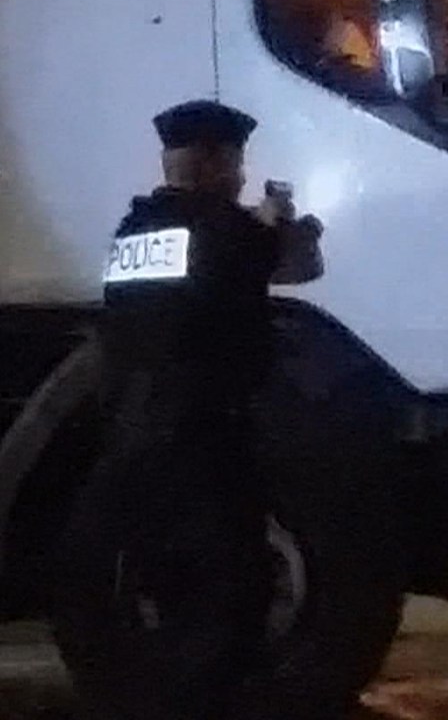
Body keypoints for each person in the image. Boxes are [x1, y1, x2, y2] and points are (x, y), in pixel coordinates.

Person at [54, 100, 323, 720]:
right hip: (203, 445)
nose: (239, 177)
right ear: (209, 163)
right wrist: (278, 219)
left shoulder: (134, 232)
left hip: (131, 439)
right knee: (229, 598)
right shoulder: (225, 230)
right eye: (234, 163)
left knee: (172, 596)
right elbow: (293, 265)